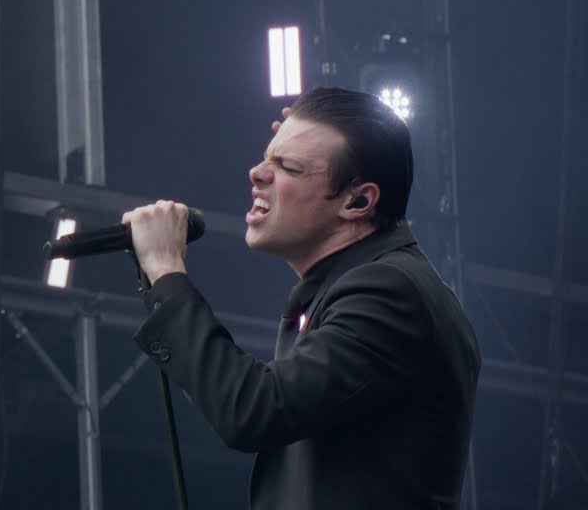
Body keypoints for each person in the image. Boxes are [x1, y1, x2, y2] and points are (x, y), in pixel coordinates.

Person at [124, 86, 480, 509]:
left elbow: (252, 410)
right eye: (266, 156)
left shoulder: (390, 292)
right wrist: (296, 151)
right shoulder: (342, 289)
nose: (257, 172)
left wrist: (166, 270)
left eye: (287, 166)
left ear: (359, 200)